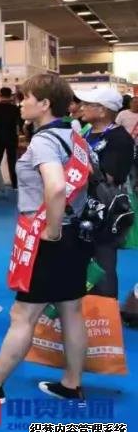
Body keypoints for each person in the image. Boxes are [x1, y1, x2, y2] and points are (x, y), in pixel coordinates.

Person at [0, 74, 94, 403]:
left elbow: (56, 186)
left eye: (26, 98)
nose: (21, 104)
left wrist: (51, 230)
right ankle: (71, 383)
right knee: (71, 310)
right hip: (77, 234)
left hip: (51, 236)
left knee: (23, 315)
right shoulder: (73, 134)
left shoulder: (44, 141)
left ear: (44, 104)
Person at [76, 87, 134, 299]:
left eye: (88, 105)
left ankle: (104, 314)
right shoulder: (85, 131)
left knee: (102, 264)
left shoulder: (119, 138)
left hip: (104, 211)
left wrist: (76, 166)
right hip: (80, 206)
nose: (82, 107)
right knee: (79, 261)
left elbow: (109, 176)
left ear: (103, 110)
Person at [0, 88, 22, 187]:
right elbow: (18, 125)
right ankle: (15, 184)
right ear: (10, 95)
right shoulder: (15, 108)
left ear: (0, 95)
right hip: (12, 137)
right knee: (12, 161)